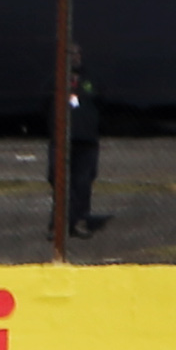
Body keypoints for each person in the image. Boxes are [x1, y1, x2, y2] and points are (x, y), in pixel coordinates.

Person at [58, 55, 102, 237]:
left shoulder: (89, 81)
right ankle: (59, 224)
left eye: (77, 56)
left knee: (82, 182)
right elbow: (45, 104)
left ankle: (80, 219)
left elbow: (100, 100)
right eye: (70, 55)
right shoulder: (56, 81)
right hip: (62, 141)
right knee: (59, 180)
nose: (74, 60)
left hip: (86, 141)